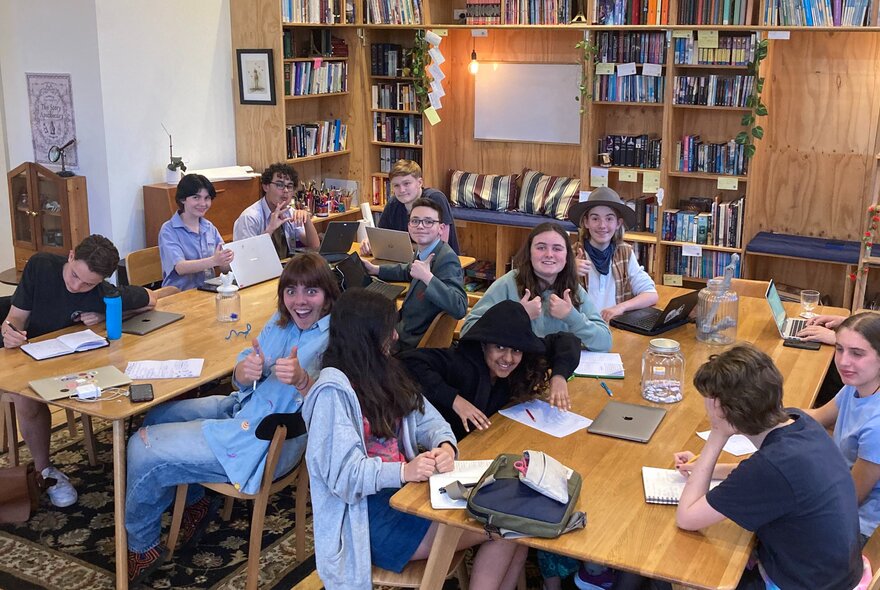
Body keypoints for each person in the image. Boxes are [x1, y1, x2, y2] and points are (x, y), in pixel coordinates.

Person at [125, 253, 338, 585]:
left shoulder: (336, 338)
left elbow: (337, 411)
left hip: (265, 442)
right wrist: (244, 370)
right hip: (246, 408)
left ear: (327, 294)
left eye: (311, 291)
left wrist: (302, 381)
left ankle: (142, 547)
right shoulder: (282, 320)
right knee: (157, 416)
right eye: (291, 291)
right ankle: (196, 501)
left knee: (141, 448)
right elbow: (244, 369)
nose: (299, 301)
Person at [302, 290, 529, 589]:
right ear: (366, 334)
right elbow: (344, 475)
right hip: (366, 519)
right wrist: (403, 471)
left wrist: (445, 445)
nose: (395, 336)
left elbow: (429, 419)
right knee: (510, 528)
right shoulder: (331, 393)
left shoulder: (385, 370)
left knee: (517, 528)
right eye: (388, 329)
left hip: (404, 496)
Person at [674, 344, 862, 590]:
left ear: (725, 412)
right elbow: (759, 475)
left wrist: (718, 434)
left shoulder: (770, 467)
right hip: (837, 573)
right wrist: (708, 468)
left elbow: (687, 518)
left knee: (696, 566)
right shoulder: (800, 422)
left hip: (804, 584)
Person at [1, 234, 156, 508]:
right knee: (26, 395)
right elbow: (16, 317)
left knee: (111, 383)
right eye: (75, 276)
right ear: (71, 255)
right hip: (26, 351)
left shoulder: (101, 292)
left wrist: (105, 314)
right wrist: (9, 330)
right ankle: (45, 471)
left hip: (67, 357)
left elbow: (150, 299)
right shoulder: (41, 266)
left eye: (88, 284)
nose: (76, 286)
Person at [400, 299, 580, 440]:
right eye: (499, 347)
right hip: (456, 447)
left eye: (516, 350)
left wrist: (559, 376)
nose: (508, 358)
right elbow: (406, 361)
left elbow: (567, 340)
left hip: (500, 434)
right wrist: (454, 400)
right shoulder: (459, 362)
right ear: (484, 344)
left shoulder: (525, 359)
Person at [461, 222, 612, 351]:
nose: (549, 254)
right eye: (541, 247)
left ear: (567, 256)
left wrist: (572, 317)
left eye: (557, 248)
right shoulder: (508, 283)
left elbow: (605, 343)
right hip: (514, 369)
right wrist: (517, 317)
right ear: (529, 252)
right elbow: (467, 331)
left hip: (560, 369)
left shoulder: (573, 288)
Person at [806, 312, 880, 547]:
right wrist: (763, 413)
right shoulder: (857, 384)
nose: (844, 361)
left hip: (857, 525)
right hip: (835, 485)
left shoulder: (876, 427)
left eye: (857, 353)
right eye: (839, 349)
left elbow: (850, 499)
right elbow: (816, 417)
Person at [362, 198, 467, 351]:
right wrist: (376, 270)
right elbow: (409, 270)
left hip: (413, 342)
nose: (420, 226)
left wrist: (427, 277)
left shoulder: (446, 259)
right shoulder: (424, 249)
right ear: (409, 226)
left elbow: (460, 307)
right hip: (404, 328)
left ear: (441, 228)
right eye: (415, 221)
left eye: (428, 222)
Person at [568, 187, 658, 322]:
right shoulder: (571, 254)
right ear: (586, 222)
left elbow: (651, 295)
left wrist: (621, 307)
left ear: (618, 223)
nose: (602, 225)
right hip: (582, 329)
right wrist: (569, 272)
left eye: (609, 219)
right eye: (595, 218)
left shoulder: (625, 253)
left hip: (615, 328)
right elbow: (552, 297)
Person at [360, 159, 460, 255]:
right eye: (396, 185)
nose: (402, 190)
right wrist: (370, 242)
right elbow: (381, 236)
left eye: (406, 183)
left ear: (419, 183)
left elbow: (441, 245)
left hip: (440, 262)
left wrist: (401, 246)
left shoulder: (435, 199)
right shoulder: (393, 203)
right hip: (404, 260)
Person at [158, 173, 233, 291]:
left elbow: (223, 266)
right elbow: (180, 267)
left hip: (208, 290)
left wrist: (227, 260)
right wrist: (214, 260)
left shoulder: (209, 227)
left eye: (207, 198)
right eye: (196, 198)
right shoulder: (168, 230)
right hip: (179, 294)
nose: (203, 204)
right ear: (182, 199)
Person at [232, 162, 319, 257]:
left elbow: (314, 247)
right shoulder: (249, 218)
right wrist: (270, 229)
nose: (285, 190)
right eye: (280, 185)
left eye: (289, 186)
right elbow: (247, 257)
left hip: (286, 265)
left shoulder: (289, 212)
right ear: (266, 187)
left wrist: (307, 220)